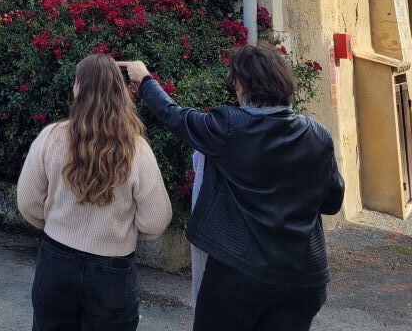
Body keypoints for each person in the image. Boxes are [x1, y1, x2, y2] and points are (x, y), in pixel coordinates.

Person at [119, 43, 345, 331]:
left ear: (242, 84)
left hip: (239, 274)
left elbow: (177, 117)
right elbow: (332, 202)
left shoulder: (230, 127)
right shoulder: (318, 135)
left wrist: (145, 80)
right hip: (303, 280)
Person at [17, 53, 172, 331]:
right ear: (120, 92)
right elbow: (156, 220)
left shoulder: (51, 137)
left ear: (78, 88)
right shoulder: (137, 150)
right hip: (113, 270)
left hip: (56, 259)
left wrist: (57, 223)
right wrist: (122, 232)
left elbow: (28, 202)